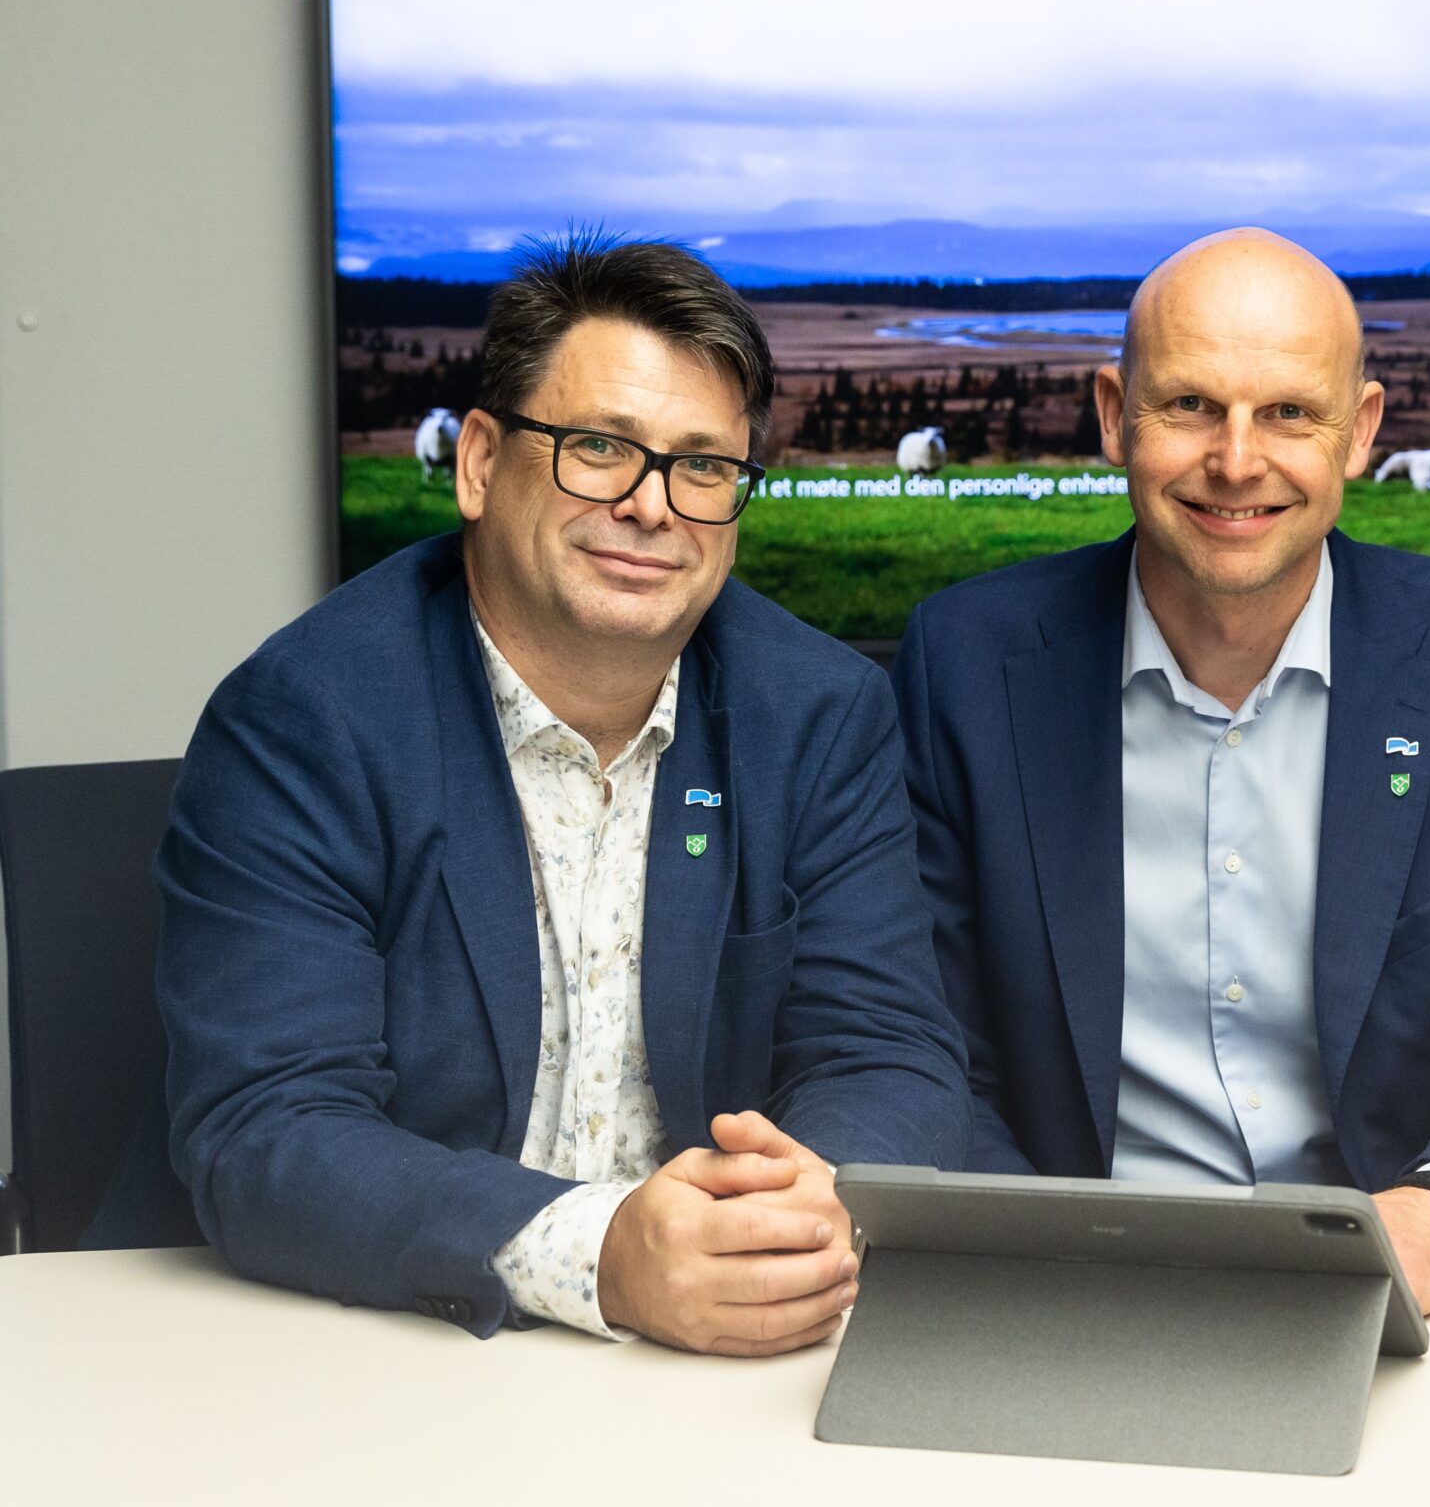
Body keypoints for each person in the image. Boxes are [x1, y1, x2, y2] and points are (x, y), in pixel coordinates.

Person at [154, 235, 971, 1350]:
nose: (651, 506)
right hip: (397, 1347)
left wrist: (804, 1204)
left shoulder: (818, 714)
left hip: (731, 1363)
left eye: (703, 467)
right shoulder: (306, 718)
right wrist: (602, 1253)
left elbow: (886, 1052)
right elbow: (267, 1130)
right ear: (480, 462)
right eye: (599, 447)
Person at [891, 229, 1430, 1313]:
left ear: (1362, 434)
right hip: (1070, 1289)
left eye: (1290, 412)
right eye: (1190, 405)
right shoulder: (963, 663)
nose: (1237, 460)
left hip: (1389, 1284)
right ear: (1114, 416)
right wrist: (1042, 1254)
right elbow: (924, 1040)